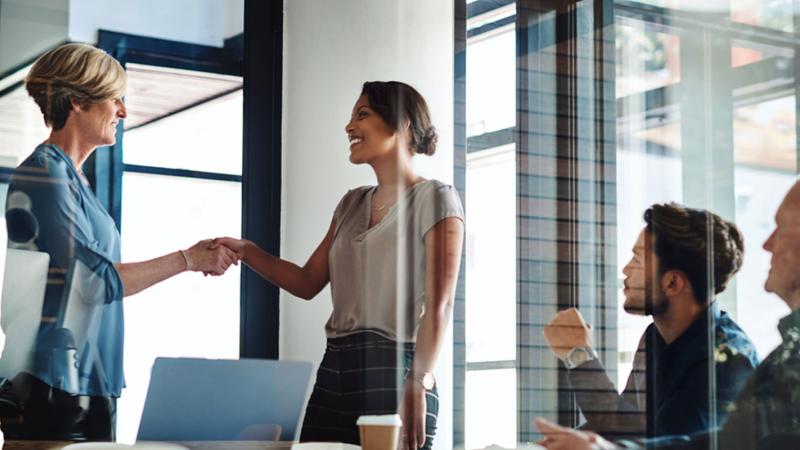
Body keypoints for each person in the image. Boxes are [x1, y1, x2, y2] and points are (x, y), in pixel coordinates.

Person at [0, 43, 239, 441]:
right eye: (116, 99)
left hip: (88, 382)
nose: (123, 111)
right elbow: (93, 281)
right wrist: (188, 259)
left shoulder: (74, 180)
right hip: (51, 386)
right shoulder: (45, 175)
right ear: (77, 100)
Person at [213, 81, 464, 450]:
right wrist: (248, 251)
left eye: (362, 115)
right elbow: (307, 281)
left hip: (397, 369)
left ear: (403, 125)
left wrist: (418, 379)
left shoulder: (436, 198)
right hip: (335, 369)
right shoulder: (351, 204)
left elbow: (441, 305)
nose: (349, 127)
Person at [535, 181, 800, 450]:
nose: (626, 270)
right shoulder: (654, 337)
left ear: (672, 283)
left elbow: (657, 441)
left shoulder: (727, 358)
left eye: (638, 260)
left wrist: (579, 356)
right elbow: (624, 426)